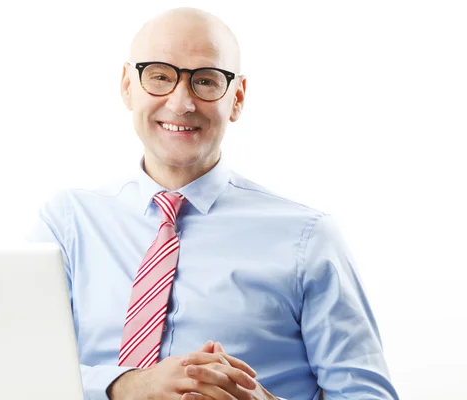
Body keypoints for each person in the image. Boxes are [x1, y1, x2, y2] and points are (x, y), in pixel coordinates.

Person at [27, 7, 399, 400]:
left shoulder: (309, 239)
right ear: (127, 85)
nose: (181, 102)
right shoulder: (67, 224)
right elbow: (13, 369)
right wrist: (133, 385)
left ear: (236, 98)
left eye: (205, 81)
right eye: (159, 76)